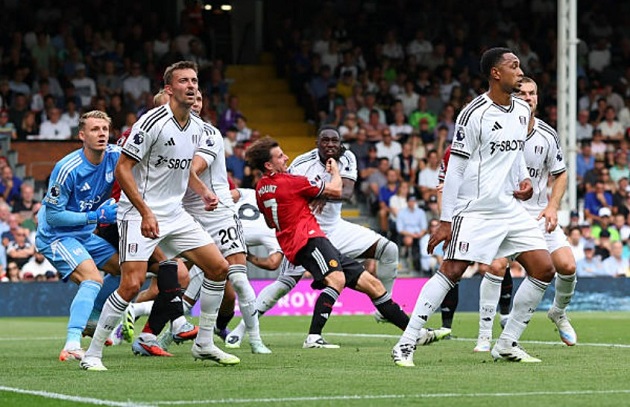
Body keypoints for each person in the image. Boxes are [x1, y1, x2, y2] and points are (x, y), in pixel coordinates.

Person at [392, 48, 556, 367]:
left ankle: (506, 343)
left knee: (544, 269)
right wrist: (446, 219)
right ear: (496, 73)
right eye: (513, 66)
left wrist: (524, 179)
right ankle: (405, 344)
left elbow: (515, 154)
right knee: (452, 271)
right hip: (477, 209)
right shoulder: (473, 114)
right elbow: (455, 168)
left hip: (509, 208)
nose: (519, 71)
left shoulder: (521, 111)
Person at [80, 61, 239, 371]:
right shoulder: (152, 122)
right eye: (184, 81)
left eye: (194, 81)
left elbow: (184, 169)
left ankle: (204, 343)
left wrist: (204, 192)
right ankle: (92, 354)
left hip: (175, 213)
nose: (191, 86)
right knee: (131, 284)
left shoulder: (197, 127)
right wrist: (145, 212)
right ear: (169, 89)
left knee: (219, 268)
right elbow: (122, 169)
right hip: (138, 213)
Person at [226, 126, 406, 347]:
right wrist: (321, 191)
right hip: (308, 232)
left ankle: (384, 309)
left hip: (336, 228)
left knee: (389, 250)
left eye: (334, 141)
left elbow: (346, 193)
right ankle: (242, 329)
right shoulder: (301, 164)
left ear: (340, 143)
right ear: (317, 144)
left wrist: (321, 195)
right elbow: (289, 191)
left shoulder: (347, 156)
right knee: (284, 284)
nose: (330, 145)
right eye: (325, 141)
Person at [474, 77, 578, 352]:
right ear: (512, 97)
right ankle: (484, 336)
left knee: (567, 266)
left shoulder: (547, 134)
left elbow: (561, 174)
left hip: (538, 215)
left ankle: (558, 312)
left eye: (533, 93)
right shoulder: (498, 129)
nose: (528, 98)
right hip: (504, 214)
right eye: (522, 93)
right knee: (496, 266)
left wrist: (553, 206)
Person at [177, 94, 271, 354]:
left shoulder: (209, 133)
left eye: (199, 99)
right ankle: (155, 334)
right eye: (191, 98)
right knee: (169, 278)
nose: (195, 102)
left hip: (219, 214)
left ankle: (255, 340)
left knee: (238, 279)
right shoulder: (167, 134)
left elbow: (191, 170)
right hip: (184, 214)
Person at [35, 110, 121, 362]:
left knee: (126, 270)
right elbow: (53, 216)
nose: (101, 134)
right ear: (82, 135)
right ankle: (72, 344)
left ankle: (93, 318)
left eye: (105, 129)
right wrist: (95, 216)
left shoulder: (115, 156)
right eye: (95, 129)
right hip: (56, 236)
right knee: (92, 278)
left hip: (84, 234)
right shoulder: (67, 168)